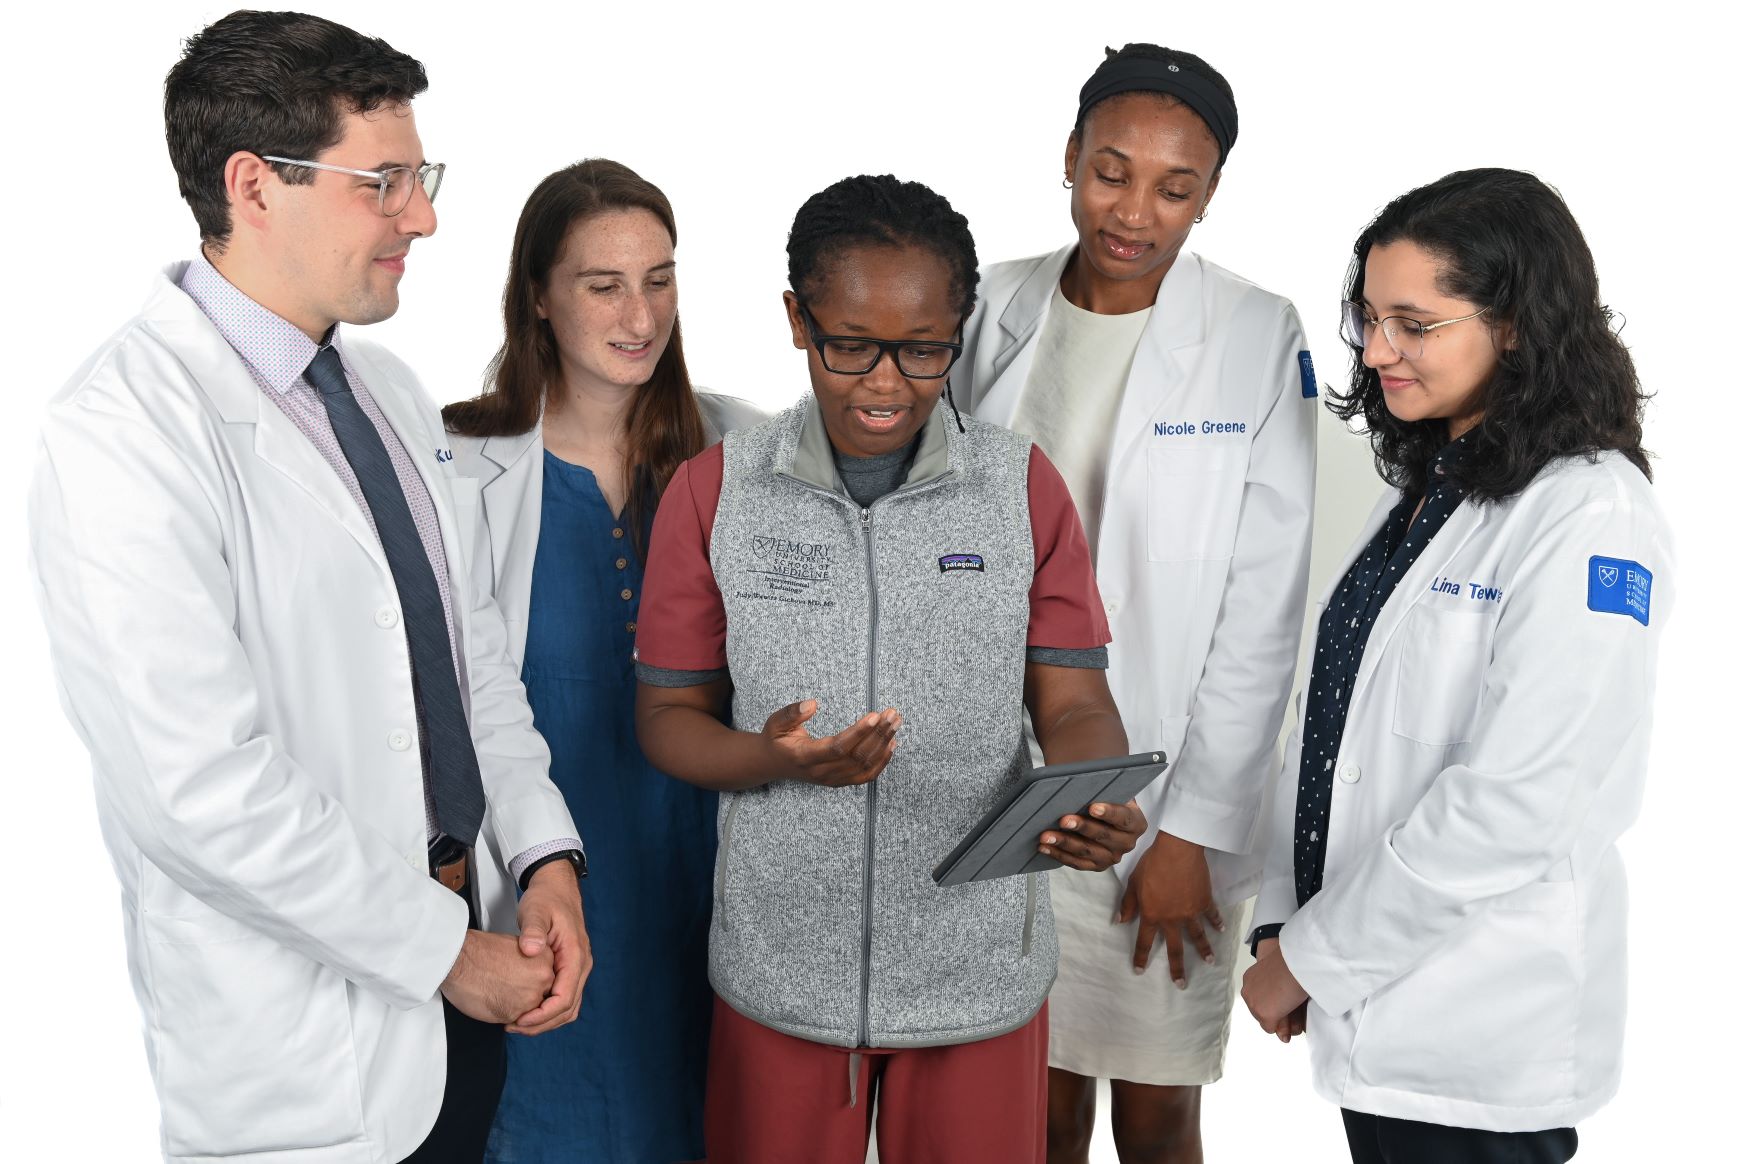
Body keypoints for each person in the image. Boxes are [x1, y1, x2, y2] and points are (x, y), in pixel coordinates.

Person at [26, 12, 588, 1163]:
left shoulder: (381, 387)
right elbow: (199, 793)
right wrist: (442, 954)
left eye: (420, 177)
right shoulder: (121, 431)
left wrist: (542, 861)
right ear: (253, 184)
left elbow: (468, 657)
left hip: (474, 980)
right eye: (384, 182)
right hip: (308, 1054)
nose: (423, 216)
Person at [631, 173, 1149, 1164]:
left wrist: (1085, 794)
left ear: (959, 330)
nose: (884, 384)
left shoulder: (1020, 490)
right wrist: (777, 758)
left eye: (922, 352)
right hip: (783, 970)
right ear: (796, 320)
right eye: (850, 346)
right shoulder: (715, 493)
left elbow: (1075, 700)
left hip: (975, 970)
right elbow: (667, 720)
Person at [1240, 167, 1670, 1164]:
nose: (1377, 350)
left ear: (1514, 324)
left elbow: (1518, 802)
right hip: (1376, 1012)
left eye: (1413, 323)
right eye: (1367, 319)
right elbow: (1333, 727)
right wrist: (1277, 923)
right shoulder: (1436, 491)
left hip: (1476, 1029)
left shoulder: (1590, 516)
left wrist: (1310, 958)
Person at [956, 43, 1317, 1164]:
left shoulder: (1256, 333)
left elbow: (1263, 611)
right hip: (992, 770)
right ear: (1069, 157)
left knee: (1157, 1106)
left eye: (1176, 187)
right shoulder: (989, 302)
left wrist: (1193, 835)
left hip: (1157, 792)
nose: (1136, 211)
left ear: (1210, 194)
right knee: (1035, 1097)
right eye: (1111, 171)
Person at [444, 158, 764, 1164]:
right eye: (604, 284)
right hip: (547, 892)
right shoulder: (452, 464)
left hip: (713, 885)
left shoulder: (743, 452)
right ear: (538, 297)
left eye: (659, 278)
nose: (641, 313)